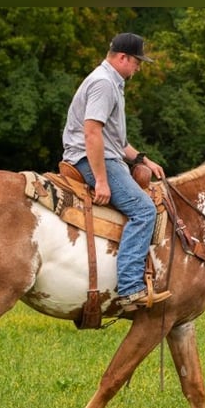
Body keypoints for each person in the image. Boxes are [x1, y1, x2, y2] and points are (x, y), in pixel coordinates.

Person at [62, 32, 171, 310]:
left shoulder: (112, 82)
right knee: (144, 210)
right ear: (122, 57)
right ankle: (130, 287)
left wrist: (142, 159)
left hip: (105, 156)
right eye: (137, 62)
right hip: (93, 159)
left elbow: (117, 141)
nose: (138, 67)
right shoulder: (103, 83)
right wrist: (101, 180)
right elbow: (92, 133)